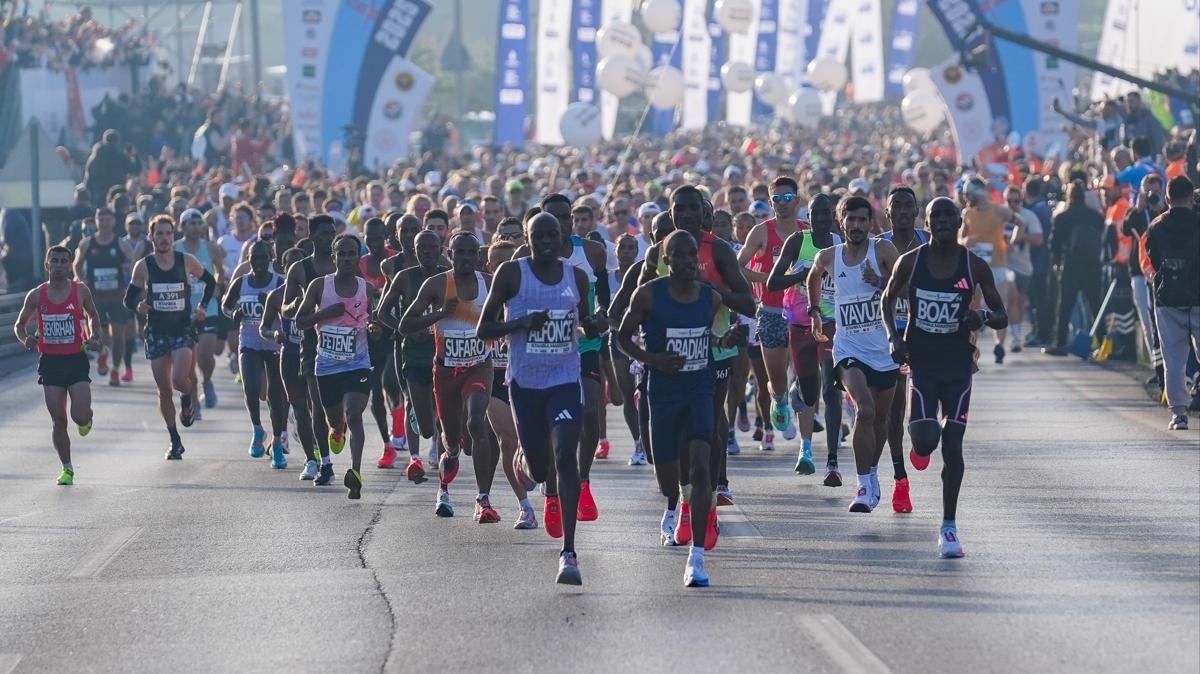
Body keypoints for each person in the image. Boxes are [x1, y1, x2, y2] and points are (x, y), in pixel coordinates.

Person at [477, 212, 605, 585]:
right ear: (528, 240)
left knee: (566, 454)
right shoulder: (512, 275)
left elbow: (583, 321)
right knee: (541, 468)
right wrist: (520, 324)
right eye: (540, 235)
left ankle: (569, 553)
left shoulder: (575, 276)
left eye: (553, 234)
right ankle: (524, 460)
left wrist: (593, 324)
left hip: (565, 379)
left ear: (561, 235)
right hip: (525, 383)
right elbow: (485, 328)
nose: (547, 240)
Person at [883, 196, 1008, 557]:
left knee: (953, 445)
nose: (941, 221)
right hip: (922, 363)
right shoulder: (911, 262)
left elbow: (1001, 315)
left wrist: (982, 318)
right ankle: (921, 440)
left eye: (948, 216)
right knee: (925, 442)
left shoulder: (974, 266)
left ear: (959, 222)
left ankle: (949, 527)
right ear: (929, 221)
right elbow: (887, 299)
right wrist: (894, 337)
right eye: (935, 216)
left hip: (957, 367)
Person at [617, 230, 732, 587]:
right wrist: (652, 359)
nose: (684, 261)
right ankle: (676, 504)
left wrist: (728, 340)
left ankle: (696, 557)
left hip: (699, 391)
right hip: (662, 395)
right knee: (667, 477)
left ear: (697, 258)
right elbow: (621, 338)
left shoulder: (711, 299)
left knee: (701, 467)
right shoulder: (649, 294)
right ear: (666, 259)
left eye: (690, 255)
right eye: (676, 255)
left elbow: (710, 339)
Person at [514, 194, 610, 524]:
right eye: (552, 218)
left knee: (590, 411)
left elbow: (603, 295)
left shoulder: (593, 251)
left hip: (582, 345)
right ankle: (552, 491)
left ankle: (581, 483)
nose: (561, 223)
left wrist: (600, 316)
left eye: (565, 217)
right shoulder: (523, 257)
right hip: (539, 354)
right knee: (551, 434)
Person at [807, 196, 901, 513]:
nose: (857, 226)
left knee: (881, 420)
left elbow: (906, 284)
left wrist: (881, 282)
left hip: (883, 349)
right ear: (841, 220)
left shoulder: (883, 251)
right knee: (866, 407)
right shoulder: (830, 256)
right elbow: (813, 274)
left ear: (870, 223)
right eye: (851, 220)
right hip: (848, 349)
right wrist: (815, 311)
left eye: (863, 220)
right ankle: (862, 485)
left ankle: (872, 475)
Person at [400, 232, 496, 521]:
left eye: (471, 253)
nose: (466, 258)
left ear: (478, 255)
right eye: (459, 253)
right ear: (449, 254)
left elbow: (506, 313)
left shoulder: (488, 283)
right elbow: (406, 324)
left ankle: (483, 500)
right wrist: (439, 314)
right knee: (452, 440)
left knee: (477, 423)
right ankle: (444, 486)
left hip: (479, 366)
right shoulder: (438, 284)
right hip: (445, 371)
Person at [124, 215, 217, 459]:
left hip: (182, 330)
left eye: (168, 233)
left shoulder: (186, 261)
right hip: (156, 332)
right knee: (164, 390)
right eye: (160, 233)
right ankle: (174, 440)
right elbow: (129, 298)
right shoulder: (144, 266)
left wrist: (203, 307)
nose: (164, 238)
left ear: (173, 236)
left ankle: (188, 397)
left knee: (178, 380)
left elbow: (211, 281)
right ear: (151, 237)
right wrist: (139, 306)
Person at [767, 195, 844, 485]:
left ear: (834, 217)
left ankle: (831, 461)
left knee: (830, 388)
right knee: (810, 394)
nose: (822, 219)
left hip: (832, 323)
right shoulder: (798, 242)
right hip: (799, 326)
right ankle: (800, 391)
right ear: (808, 217)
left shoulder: (841, 242)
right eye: (816, 214)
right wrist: (801, 274)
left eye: (827, 214)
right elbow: (773, 282)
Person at [294, 234, 379, 499]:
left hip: (358, 364)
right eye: (341, 254)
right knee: (334, 420)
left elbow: (377, 320)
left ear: (358, 257)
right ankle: (336, 429)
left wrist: (375, 328)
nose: (346, 258)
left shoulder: (367, 290)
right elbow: (300, 321)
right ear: (333, 257)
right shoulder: (320, 286)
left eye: (351, 253)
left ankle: (355, 472)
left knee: (354, 413)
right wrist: (324, 314)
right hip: (327, 367)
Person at [13, 246, 102, 485]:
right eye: (55, 261)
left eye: (64, 261)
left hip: (75, 360)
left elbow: (93, 316)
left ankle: (87, 419)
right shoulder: (36, 295)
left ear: (70, 265)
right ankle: (67, 468)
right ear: (47, 265)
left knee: (79, 415)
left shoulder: (80, 290)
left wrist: (94, 336)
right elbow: (19, 325)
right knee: (58, 420)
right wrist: (26, 339)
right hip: (50, 363)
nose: (59, 265)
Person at [738, 176, 808, 434]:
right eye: (776, 199)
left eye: (787, 198)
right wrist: (768, 279)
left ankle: (798, 397)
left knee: (805, 371)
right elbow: (737, 266)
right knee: (776, 379)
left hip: (803, 312)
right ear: (770, 202)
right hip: (771, 310)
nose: (782, 203)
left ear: (797, 201)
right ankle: (779, 401)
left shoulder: (807, 231)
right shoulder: (761, 232)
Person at [376, 231, 447, 481]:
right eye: (422, 247)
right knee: (413, 406)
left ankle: (440, 451)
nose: (427, 251)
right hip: (412, 352)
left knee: (441, 404)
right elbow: (381, 312)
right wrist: (404, 328)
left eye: (432, 246)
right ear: (414, 251)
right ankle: (415, 458)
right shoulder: (405, 277)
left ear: (440, 249)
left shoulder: (448, 275)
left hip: (443, 351)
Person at [483, 240, 538, 529]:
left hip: (527, 375)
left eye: (511, 262)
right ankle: (525, 507)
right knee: (507, 440)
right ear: (490, 265)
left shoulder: (533, 292)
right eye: (498, 262)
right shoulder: (482, 293)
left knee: (535, 445)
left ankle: (531, 466)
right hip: (492, 376)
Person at [877, 186, 925, 512]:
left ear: (917, 211)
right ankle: (899, 479)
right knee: (893, 411)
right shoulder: (877, 246)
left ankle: (921, 441)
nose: (904, 212)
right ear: (888, 212)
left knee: (920, 409)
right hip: (889, 334)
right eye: (898, 207)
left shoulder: (929, 243)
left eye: (909, 206)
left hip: (925, 335)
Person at [282, 214, 338, 484]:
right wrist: (300, 304)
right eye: (325, 234)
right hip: (312, 344)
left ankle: (334, 432)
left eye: (332, 233)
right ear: (313, 237)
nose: (330, 238)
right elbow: (285, 306)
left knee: (334, 409)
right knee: (314, 405)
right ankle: (322, 462)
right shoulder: (300, 269)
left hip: (346, 345)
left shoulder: (345, 264)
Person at [221, 240, 287, 468]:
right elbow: (225, 305)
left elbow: (291, 310)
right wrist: (234, 313)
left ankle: (277, 442)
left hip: (274, 346)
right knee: (250, 387)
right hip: (248, 343)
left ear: (269, 259)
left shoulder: (279, 283)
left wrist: (271, 305)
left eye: (262, 258)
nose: (258, 263)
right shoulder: (241, 283)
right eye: (253, 258)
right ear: (248, 259)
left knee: (275, 397)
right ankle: (258, 430)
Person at [1142, 175, 1200, 430]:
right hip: (1198, 296)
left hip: (1167, 298)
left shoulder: (1155, 226)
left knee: (1173, 359)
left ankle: (1179, 413)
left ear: (1167, 198)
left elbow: (1152, 259)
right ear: (1191, 197)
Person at [260, 247, 321, 479]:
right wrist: (274, 335)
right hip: (290, 356)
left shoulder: (318, 291)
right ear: (284, 269)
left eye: (301, 264)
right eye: (291, 265)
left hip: (315, 355)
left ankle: (320, 448)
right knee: (300, 409)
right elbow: (264, 327)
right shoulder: (276, 296)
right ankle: (311, 459)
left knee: (318, 408)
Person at [72, 207, 136, 387]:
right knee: (96, 334)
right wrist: (82, 279)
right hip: (95, 297)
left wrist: (127, 276)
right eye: (101, 219)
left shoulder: (121, 243)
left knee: (118, 335)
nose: (105, 222)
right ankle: (102, 354)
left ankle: (115, 369)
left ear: (114, 221)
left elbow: (133, 262)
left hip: (116, 295)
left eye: (108, 219)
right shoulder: (87, 243)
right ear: (97, 221)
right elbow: (76, 264)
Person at [1044, 181, 1105, 356]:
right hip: (1093, 266)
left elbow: (1053, 244)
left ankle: (1061, 343)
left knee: (1065, 306)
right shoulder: (1095, 216)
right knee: (1095, 304)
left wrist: (1057, 262)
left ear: (1069, 196)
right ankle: (1103, 342)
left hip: (1071, 265)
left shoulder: (1062, 217)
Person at [175, 208, 227, 410]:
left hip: (208, 308)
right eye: (191, 223)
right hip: (182, 310)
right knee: (188, 358)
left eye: (199, 223)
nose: (196, 227)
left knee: (206, 353)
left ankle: (207, 382)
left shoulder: (211, 248)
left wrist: (217, 288)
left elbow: (220, 273)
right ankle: (194, 398)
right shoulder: (175, 248)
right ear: (182, 226)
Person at [1121, 173, 1168, 392]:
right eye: (1147, 191)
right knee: (1146, 319)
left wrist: (1158, 206)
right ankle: (1155, 364)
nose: (1151, 195)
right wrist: (1139, 208)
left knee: (1160, 321)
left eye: (1155, 191)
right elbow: (1125, 228)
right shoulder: (1136, 211)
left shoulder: (1165, 209)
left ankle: (1163, 369)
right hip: (1139, 270)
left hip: (1160, 270)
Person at [960, 177, 1014, 363]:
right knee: (971, 307)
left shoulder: (999, 210)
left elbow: (1020, 222)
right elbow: (959, 241)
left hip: (997, 265)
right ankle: (971, 349)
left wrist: (1012, 241)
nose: (968, 197)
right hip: (974, 267)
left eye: (970, 193)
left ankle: (999, 345)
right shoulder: (968, 213)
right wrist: (966, 242)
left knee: (1000, 306)